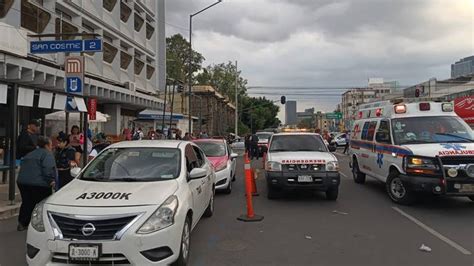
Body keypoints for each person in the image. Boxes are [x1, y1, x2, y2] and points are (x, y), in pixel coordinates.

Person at [16, 136, 56, 231]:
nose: (52, 147)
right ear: (46, 145)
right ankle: (41, 224)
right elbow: (47, 169)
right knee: (42, 203)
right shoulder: (47, 154)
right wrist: (51, 180)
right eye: (51, 145)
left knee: (27, 202)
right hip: (39, 183)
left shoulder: (30, 154)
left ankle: (22, 222)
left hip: (23, 182)